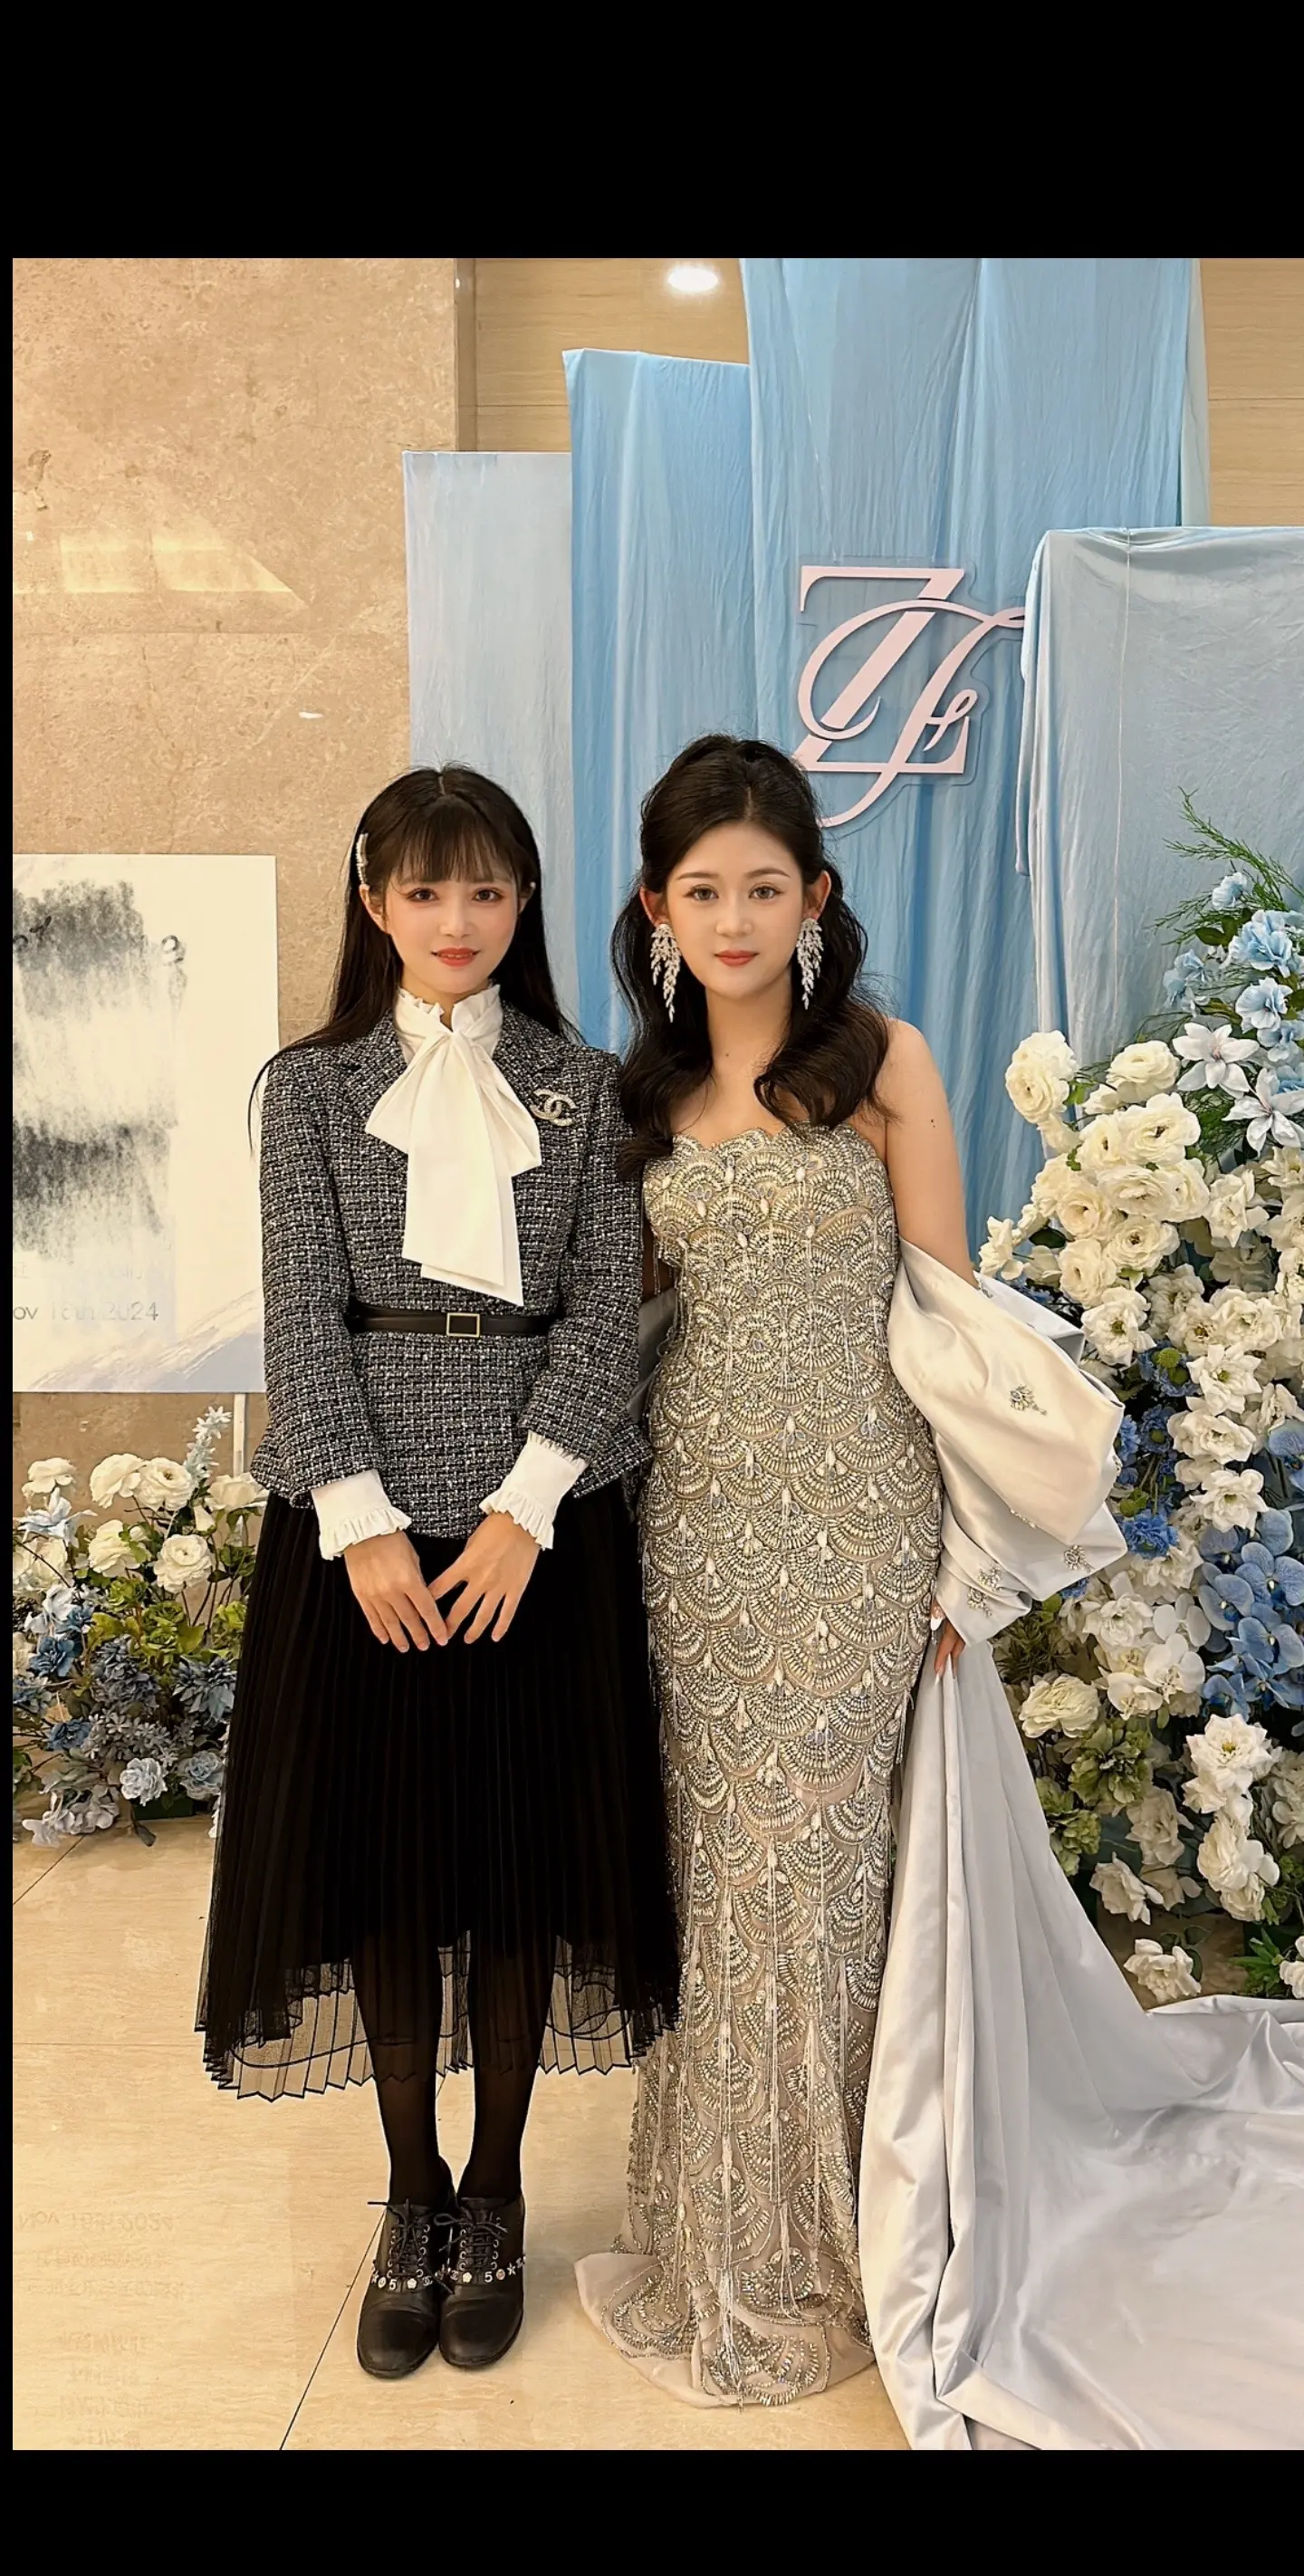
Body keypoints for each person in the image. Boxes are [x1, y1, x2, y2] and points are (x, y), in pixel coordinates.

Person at [198, 765, 677, 2383]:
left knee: (520, 1865)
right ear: (373, 903)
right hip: (365, 1536)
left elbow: (609, 1313)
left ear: (524, 902)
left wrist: (527, 1507)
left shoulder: (583, 1085)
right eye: (424, 891)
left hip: (543, 1528)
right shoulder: (309, 1088)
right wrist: (359, 1519)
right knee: (392, 1867)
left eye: (485, 889)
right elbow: (299, 1307)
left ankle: (499, 2187)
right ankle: (412, 2193)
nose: (456, 919)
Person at [576, 735, 970, 2406]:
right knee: (719, 1881)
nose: (732, 920)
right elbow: (620, 1341)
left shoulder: (883, 1063)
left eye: (762, 887)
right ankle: (714, 2237)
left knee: (819, 1882)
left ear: (815, 897)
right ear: (657, 910)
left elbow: (956, 1326)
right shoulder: (638, 1104)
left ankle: (827, 2244)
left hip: (865, 1529)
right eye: (701, 891)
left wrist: (968, 1559)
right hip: (700, 1532)